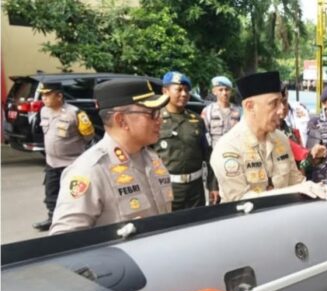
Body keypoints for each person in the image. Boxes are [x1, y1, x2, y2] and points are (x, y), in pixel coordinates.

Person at [49, 79, 172, 235]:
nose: (160, 120)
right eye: (152, 114)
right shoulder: (89, 171)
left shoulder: (151, 158)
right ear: (121, 120)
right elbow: (64, 241)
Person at [210, 71, 327, 202]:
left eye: (282, 102)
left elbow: (297, 182)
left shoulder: (281, 139)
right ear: (250, 106)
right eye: (274, 104)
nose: (281, 110)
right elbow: (239, 201)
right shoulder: (228, 148)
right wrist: (294, 190)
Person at [33, 82, 95, 231]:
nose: (44, 98)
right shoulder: (44, 111)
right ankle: (52, 218)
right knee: (51, 194)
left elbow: (88, 136)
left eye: (47, 95)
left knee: (76, 196)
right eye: (43, 95)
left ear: (59, 96)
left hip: (71, 163)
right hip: (52, 163)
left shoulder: (75, 113)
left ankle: (80, 222)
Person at [156, 71, 217, 208]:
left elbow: (208, 154)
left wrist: (213, 185)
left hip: (195, 189)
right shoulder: (155, 120)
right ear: (165, 91)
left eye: (187, 90)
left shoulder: (197, 120)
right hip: (167, 188)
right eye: (179, 89)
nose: (184, 94)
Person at [201, 76, 241, 148]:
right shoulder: (208, 111)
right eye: (220, 90)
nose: (224, 93)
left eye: (227, 90)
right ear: (214, 92)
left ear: (230, 91)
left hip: (234, 151)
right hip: (215, 151)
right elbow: (204, 133)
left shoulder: (239, 111)